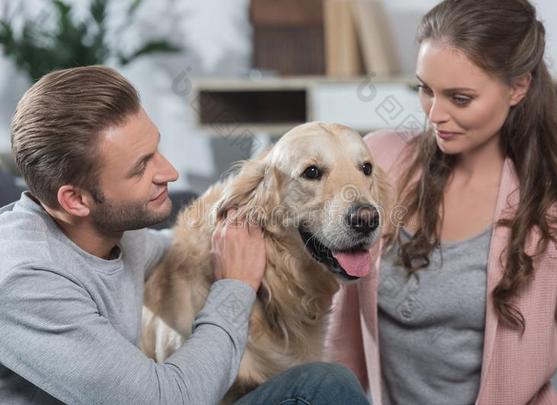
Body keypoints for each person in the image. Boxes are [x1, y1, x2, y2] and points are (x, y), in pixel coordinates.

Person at [0, 66, 369, 405]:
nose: (170, 172)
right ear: (76, 199)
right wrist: (236, 286)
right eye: (141, 167)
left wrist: (235, 211)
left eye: (155, 149)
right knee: (324, 386)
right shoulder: (24, 281)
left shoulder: (110, 232)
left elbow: (177, 248)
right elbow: (166, 400)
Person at [326, 0, 557, 404]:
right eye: (426, 90)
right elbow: (339, 343)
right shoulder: (378, 163)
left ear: (518, 88)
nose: (434, 115)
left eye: (460, 99)